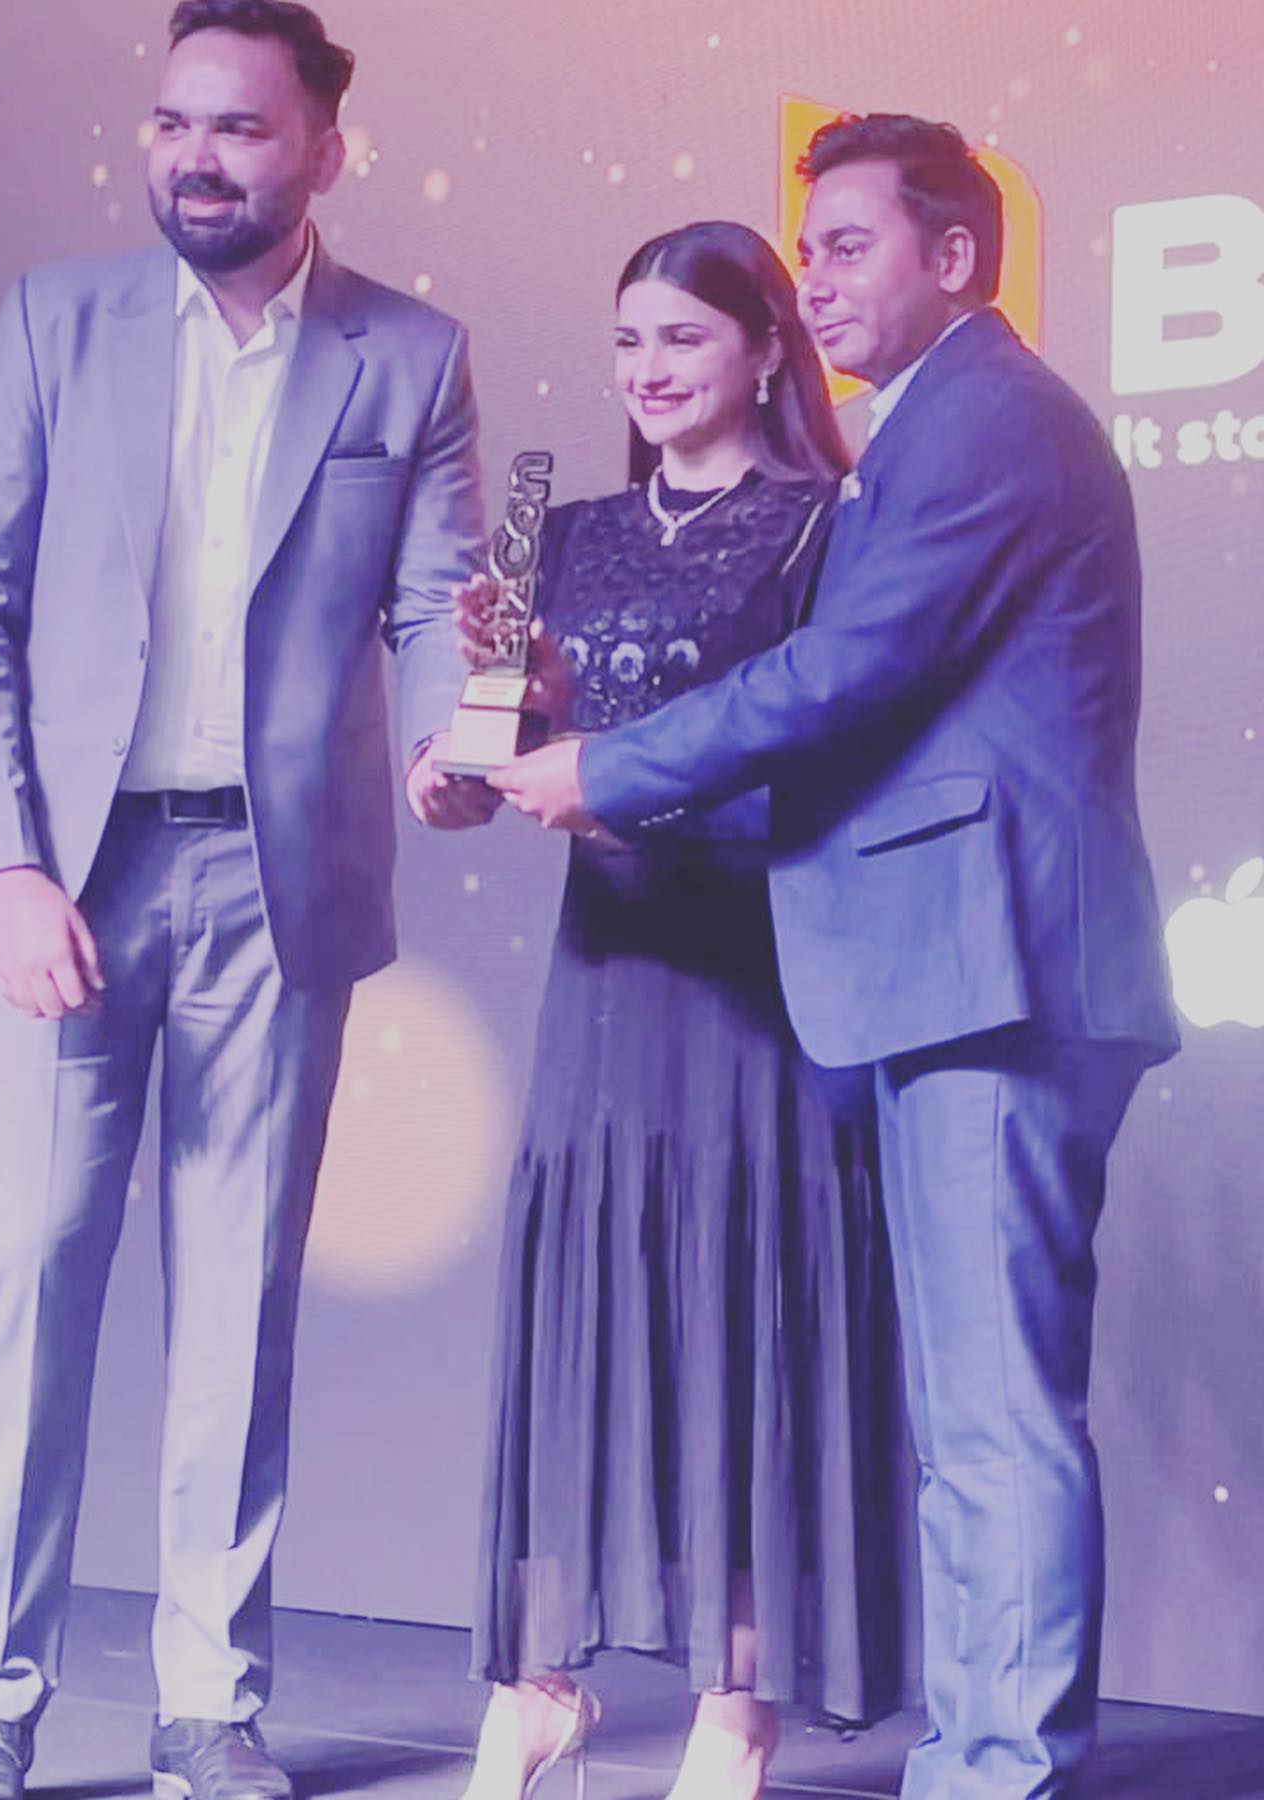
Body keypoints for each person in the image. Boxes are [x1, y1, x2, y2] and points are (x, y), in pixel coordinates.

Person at [491, 117, 1179, 1799]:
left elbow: (846, 673)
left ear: (956, 255)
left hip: (999, 968)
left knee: (995, 1420)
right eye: (808, 253)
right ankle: (978, 1755)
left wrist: (610, 770)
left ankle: (997, 1769)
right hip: (954, 969)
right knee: (971, 1422)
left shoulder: (989, 417)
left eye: (850, 246)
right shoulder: (930, 424)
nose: (818, 283)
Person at [0, 4, 491, 1797]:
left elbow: (438, 599)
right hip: (70, 872)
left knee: (238, 1303)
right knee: (32, 1276)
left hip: (279, 880)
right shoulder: (57, 323)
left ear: (325, 148)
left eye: (239, 127)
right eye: (173, 121)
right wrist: (4, 864)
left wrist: (449, 745)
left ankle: (208, 1703)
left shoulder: (412, 353)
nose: (196, 156)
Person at [450, 222, 912, 1800]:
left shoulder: (826, 526)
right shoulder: (556, 527)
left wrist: (616, 777)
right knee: (585, 1306)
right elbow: (477, 771)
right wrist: (473, 750)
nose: (647, 371)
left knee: (744, 1313)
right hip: (605, 973)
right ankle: (540, 1687)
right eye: (628, 340)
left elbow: (832, 751)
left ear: (768, 350)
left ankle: (737, 1707)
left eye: (684, 338)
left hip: (759, 973)